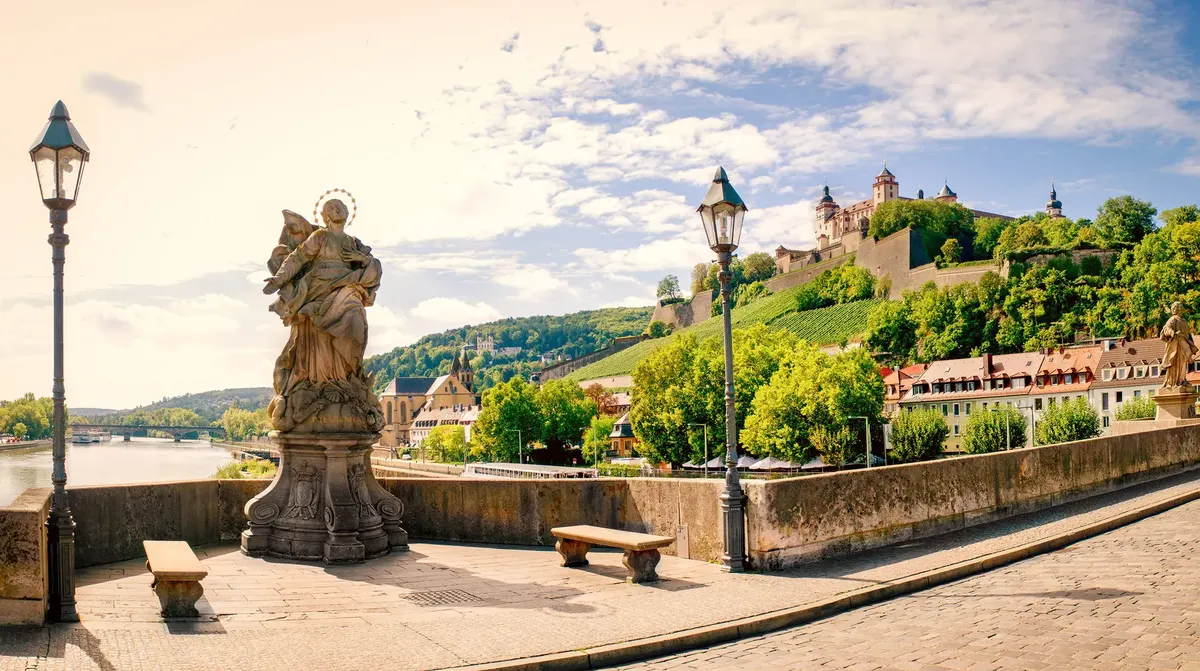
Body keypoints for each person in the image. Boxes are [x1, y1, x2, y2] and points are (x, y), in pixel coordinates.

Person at [1159, 301, 1197, 389]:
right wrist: (1172, 333)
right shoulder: (1173, 319)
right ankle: (1173, 381)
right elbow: (1166, 328)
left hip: (1183, 346)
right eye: (1180, 307)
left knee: (1183, 364)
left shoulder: (1183, 321)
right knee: (1175, 363)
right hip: (1176, 346)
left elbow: (1188, 336)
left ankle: (1181, 380)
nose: (1182, 309)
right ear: (1177, 309)